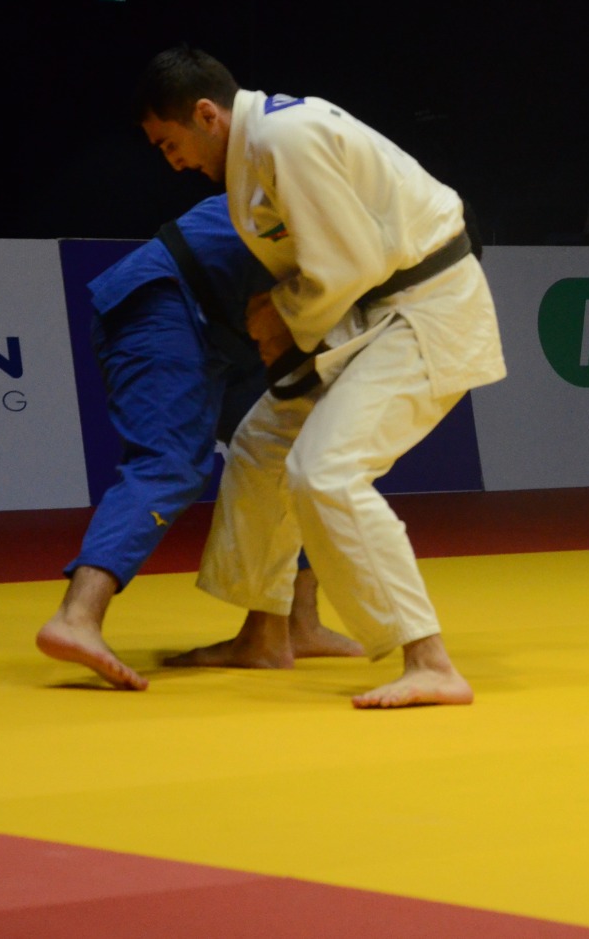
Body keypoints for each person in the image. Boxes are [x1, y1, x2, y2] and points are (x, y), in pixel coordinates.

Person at [133, 45, 506, 709]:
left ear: (207, 115)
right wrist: (284, 312)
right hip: (365, 314)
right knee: (260, 448)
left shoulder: (286, 138)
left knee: (326, 471)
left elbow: (349, 262)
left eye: (170, 143)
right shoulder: (257, 151)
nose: (173, 161)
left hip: (425, 309)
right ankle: (265, 634)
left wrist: (280, 313)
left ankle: (429, 659)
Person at [35, 193, 360, 690]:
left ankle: (291, 626)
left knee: (298, 449)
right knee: (169, 462)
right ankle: (76, 616)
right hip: (165, 298)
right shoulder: (331, 189)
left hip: (229, 330)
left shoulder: (370, 224)